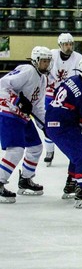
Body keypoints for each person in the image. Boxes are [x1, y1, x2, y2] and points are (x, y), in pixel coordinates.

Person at [45, 56, 82, 208]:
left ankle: (71, 185)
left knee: (76, 155)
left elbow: (57, 96)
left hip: (53, 123)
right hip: (63, 127)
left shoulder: (71, 79)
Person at [0, 46, 52, 203]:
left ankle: (25, 180)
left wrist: (46, 126)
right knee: (16, 150)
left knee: (36, 147)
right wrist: (16, 100)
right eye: (43, 61)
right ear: (36, 61)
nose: (46, 64)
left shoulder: (43, 79)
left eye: (48, 61)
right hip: (7, 111)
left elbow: (37, 107)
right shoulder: (28, 70)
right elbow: (2, 84)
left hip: (21, 116)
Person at [43, 32, 82, 167]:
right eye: (66, 44)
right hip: (50, 93)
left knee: (71, 124)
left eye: (71, 44)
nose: (69, 47)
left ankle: (74, 151)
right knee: (48, 123)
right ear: (60, 45)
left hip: (68, 95)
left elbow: (80, 79)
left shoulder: (78, 58)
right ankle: (49, 151)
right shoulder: (51, 54)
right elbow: (44, 73)